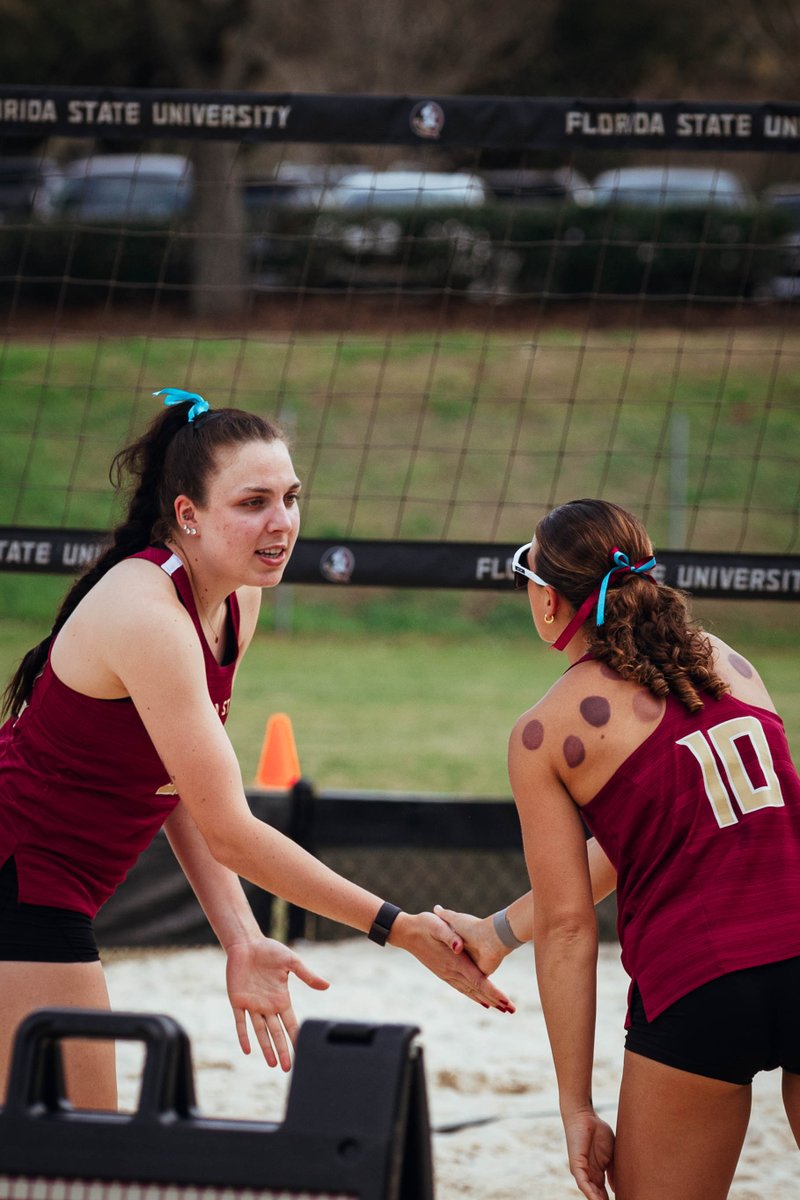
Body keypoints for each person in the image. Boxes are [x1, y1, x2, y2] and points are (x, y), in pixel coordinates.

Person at [0, 388, 513, 1110]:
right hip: (20, 875)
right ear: (188, 515)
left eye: (291, 497)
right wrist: (398, 928)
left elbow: (182, 790)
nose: (282, 523)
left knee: (72, 1150)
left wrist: (241, 938)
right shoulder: (145, 612)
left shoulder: (237, 598)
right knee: (73, 1148)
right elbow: (231, 829)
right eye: (253, 503)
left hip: (59, 886)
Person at [436, 498, 800, 1200]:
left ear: (548, 603)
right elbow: (668, 840)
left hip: (703, 979)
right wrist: (498, 932)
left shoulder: (545, 732)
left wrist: (576, 1108)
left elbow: (572, 925)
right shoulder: (731, 663)